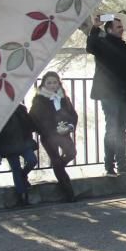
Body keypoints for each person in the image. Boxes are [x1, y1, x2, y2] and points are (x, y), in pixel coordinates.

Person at [86, 15, 126, 176]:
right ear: (109, 29)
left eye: (121, 27)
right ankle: (109, 166)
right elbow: (90, 47)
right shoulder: (102, 42)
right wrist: (95, 27)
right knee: (112, 129)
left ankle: (122, 164)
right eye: (118, 27)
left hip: (122, 92)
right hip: (108, 93)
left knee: (121, 130)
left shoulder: (123, 46)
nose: (122, 30)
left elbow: (125, 66)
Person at [29, 71, 79, 202]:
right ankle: (69, 192)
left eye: (55, 82)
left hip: (64, 134)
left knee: (72, 153)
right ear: (44, 84)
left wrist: (69, 127)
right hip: (48, 136)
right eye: (49, 83)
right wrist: (53, 130)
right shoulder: (39, 99)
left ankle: (58, 168)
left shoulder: (64, 98)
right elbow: (36, 119)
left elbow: (73, 115)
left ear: (59, 83)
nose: (52, 85)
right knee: (56, 160)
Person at [0, 103, 38, 207]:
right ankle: (22, 196)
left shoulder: (20, 108)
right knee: (16, 169)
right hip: (8, 145)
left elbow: (31, 125)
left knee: (32, 161)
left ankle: (23, 176)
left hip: (24, 143)